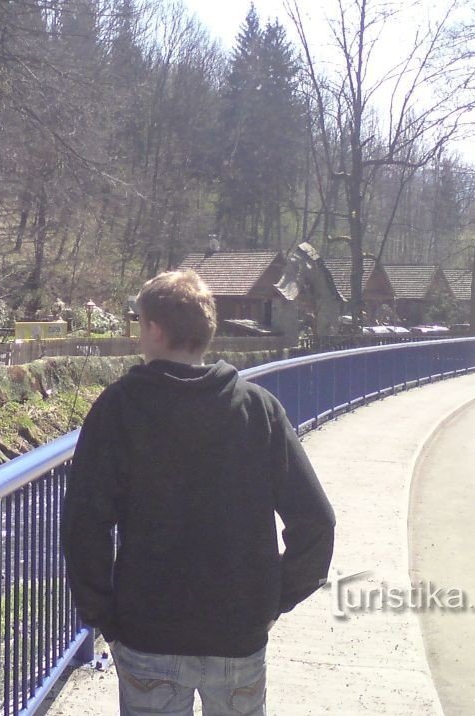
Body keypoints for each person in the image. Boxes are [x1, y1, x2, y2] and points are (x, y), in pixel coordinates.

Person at [62, 269, 335, 716]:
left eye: (139, 324)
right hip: (237, 633)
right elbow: (317, 522)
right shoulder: (257, 408)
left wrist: (104, 617)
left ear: (154, 328)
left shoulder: (119, 407)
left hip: (148, 632)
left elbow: (84, 525)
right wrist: (274, 600)